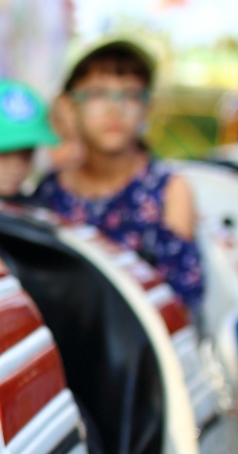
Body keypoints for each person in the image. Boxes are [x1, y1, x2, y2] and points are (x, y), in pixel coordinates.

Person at [32, 40, 205, 311]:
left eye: (130, 95)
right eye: (97, 94)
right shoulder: (51, 190)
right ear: (70, 105)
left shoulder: (168, 191)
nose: (115, 109)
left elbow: (180, 304)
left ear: (148, 108)